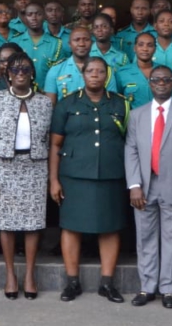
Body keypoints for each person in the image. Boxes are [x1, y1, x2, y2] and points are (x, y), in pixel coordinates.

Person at [49, 57, 130, 303]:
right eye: (90, 71)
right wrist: (53, 179)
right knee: (71, 227)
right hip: (74, 175)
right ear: (83, 75)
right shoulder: (66, 104)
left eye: (100, 71)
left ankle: (107, 283)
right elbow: (55, 144)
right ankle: (72, 282)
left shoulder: (121, 104)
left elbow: (130, 141)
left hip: (110, 174)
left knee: (110, 227)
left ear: (107, 75)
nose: (95, 75)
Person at [124, 65, 172, 308]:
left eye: (166, 80)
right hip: (144, 186)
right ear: (150, 83)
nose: (161, 83)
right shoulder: (137, 114)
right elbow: (131, 150)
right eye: (156, 79)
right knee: (144, 237)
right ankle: (147, 287)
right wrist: (134, 184)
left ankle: (168, 289)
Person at [0, 52, 52, 300]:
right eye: (15, 69)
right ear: (7, 74)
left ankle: (30, 275)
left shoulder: (45, 102)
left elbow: (50, 140)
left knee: (33, 224)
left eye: (25, 69)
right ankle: (10, 274)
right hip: (4, 168)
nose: (20, 73)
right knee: (6, 224)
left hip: (35, 167)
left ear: (32, 73)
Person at [44, 26, 117, 103]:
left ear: (92, 43)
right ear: (69, 44)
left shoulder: (105, 70)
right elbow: (50, 106)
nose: (81, 44)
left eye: (86, 40)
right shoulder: (56, 70)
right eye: (77, 40)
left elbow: (111, 102)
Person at [13, 1, 65, 87]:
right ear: (25, 18)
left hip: (47, 93)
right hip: (20, 93)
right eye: (30, 15)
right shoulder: (15, 41)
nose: (34, 18)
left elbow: (59, 73)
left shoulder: (56, 43)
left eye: (38, 14)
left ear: (44, 17)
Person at [115, 32, 159, 109]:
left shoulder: (163, 71)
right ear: (134, 48)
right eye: (141, 45)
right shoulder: (122, 73)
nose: (145, 49)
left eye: (150, 45)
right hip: (133, 119)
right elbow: (117, 99)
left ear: (155, 49)